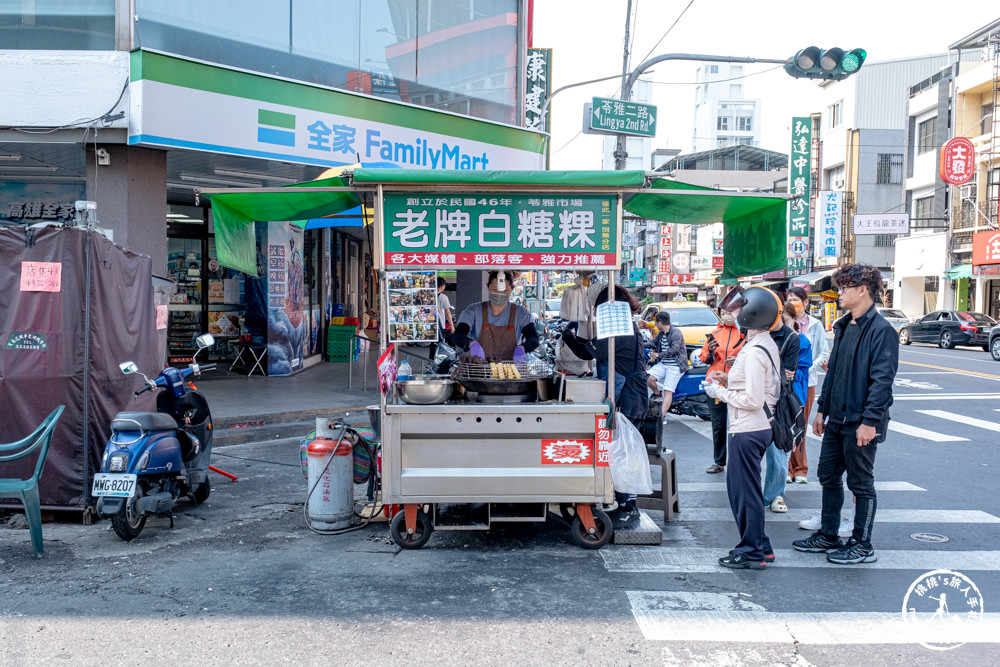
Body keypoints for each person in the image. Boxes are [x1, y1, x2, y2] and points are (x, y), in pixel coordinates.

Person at [793, 263, 899, 565]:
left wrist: (869, 423)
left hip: (861, 422)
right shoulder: (843, 326)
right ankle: (828, 534)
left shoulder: (882, 332)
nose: (839, 293)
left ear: (863, 290)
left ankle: (862, 544)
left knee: (861, 483)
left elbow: (882, 383)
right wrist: (821, 410)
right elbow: (835, 372)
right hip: (836, 418)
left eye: (844, 288)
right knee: (828, 474)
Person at [702, 286, 782, 569]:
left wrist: (719, 392)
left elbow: (752, 399)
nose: (733, 315)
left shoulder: (752, 352)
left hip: (748, 428)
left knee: (743, 492)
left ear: (751, 314)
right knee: (748, 490)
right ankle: (762, 545)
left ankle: (750, 551)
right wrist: (727, 380)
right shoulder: (763, 343)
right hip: (755, 427)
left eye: (737, 311)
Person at [562, 285, 649, 529]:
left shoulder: (620, 332)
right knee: (618, 451)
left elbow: (585, 351)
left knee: (625, 453)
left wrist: (567, 336)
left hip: (630, 400)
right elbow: (592, 346)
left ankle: (628, 506)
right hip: (628, 397)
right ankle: (619, 500)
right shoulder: (623, 328)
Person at [785, 286, 830, 485]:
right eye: (790, 299)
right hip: (784, 383)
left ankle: (800, 469)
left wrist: (807, 368)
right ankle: (786, 468)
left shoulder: (815, 325)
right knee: (785, 425)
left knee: (800, 425)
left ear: (805, 303)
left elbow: (824, 352)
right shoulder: (783, 323)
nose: (793, 302)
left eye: (797, 299)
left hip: (807, 383)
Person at [761, 300, 800, 514]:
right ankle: (750, 493)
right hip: (755, 398)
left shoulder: (791, 338)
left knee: (778, 450)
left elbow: (787, 374)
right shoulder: (758, 332)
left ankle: (776, 494)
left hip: (779, 401)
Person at [697, 308, 744, 474]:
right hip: (715, 384)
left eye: (729, 311)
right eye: (723, 312)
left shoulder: (745, 333)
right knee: (718, 423)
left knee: (738, 424)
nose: (726, 315)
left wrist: (738, 360)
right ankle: (719, 461)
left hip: (736, 384)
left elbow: (752, 355)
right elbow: (704, 358)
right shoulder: (715, 333)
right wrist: (709, 350)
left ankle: (738, 460)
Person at [453, 271, 539, 361]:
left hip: (511, 370)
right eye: (494, 289)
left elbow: (533, 338)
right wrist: (471, 344)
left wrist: (522, 348)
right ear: (487, 286)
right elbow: (458, 335)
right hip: (479, 369)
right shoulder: (473, 310)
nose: (499, 293)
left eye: (504, 290)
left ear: (512, 288)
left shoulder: (521, 313)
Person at [645, 312, 687, 423]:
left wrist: (659, 355)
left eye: (656, 323)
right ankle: (657, 394)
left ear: (659, 322)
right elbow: (653, 343)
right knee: (648, 378)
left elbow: (675, 349)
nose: (656, 325)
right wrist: (639, 344)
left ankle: (661, 416)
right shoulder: (661, 333)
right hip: (664, 364)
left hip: (675, 365)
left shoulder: (675, 333)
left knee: (668, 390)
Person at [436, 276, 454, 345]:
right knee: (440, 345)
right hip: (440, 326)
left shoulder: (430, 295)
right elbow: (448, 313)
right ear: (442, 286)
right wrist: (452, 327)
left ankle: (431, 356)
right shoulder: (443, 297)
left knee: (433, 346)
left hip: (431, 325)